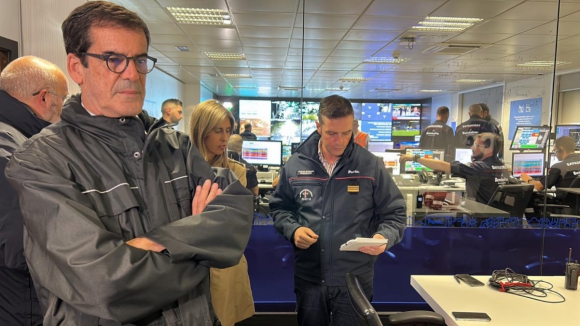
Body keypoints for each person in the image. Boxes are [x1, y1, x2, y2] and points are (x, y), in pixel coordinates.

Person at [5, 2, 253, 325]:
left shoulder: (174, 146)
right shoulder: (41, 161)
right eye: (114, 60)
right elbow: (106, 284)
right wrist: (199, 248)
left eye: (139, 60)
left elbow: (234, 219)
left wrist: (148, 248)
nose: (132, 74)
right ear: (76, 67)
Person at [269, 94, 406, 326]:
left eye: (346, 133)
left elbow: (395, 213)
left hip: (354, 279)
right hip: (310, 277)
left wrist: (384, 237)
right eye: (332, 133)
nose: (340, 141)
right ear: (318, 127)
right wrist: (293, 230)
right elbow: (280, 208)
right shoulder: (296, 164)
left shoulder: (370, 164)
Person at [0, 55, 68, 326]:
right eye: (63, 99)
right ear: (44, 98)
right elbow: (21, 246)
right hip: (19, 305)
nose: (63, 109)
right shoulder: (13, 154)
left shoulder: (17, 140)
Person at [189, 99, 255, 326]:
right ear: (201, 129)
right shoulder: (178, 170)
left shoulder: (235, 171)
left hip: (224, 264)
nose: (224, 138)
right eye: (218, 131)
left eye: (228, 131)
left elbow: (232, 224)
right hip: (187, 265)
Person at [401, 132, 509, 204]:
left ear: (487, 149)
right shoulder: (503, 168)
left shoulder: (479, 168)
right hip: (495, 218)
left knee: (430, 213)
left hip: (478, 218)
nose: (472, 147)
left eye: (476, 145)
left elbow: (442, 165)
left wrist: (415, 158)